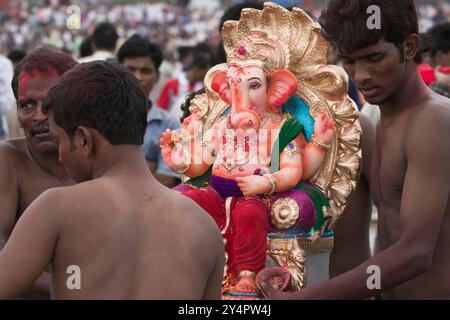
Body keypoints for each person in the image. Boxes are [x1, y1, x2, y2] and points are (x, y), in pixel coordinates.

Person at [260, 0, 450, 299]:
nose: (360, 76)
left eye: (374, 58)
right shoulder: (376, 124)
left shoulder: (433, 120)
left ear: (410, 47)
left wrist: (309, 297)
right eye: (349, 61)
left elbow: (416, 252)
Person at [0, 60, 224, 299]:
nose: (60, 155)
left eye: (60, 141)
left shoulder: (57, 208)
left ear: (84, 140)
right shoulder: (204, 227)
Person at [0, 47, 77, 298]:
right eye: (27, 105)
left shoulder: (100, 162)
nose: (39, 116)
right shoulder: (7, 160)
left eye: (51, 104)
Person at [117, 36, 181, 188]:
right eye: (130, 69)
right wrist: (149, 166)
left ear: (157, 76)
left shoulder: (169, 124)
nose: (138, 77)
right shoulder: (100, 117)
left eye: (145, 71)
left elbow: (167, 178)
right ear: (118, 71)